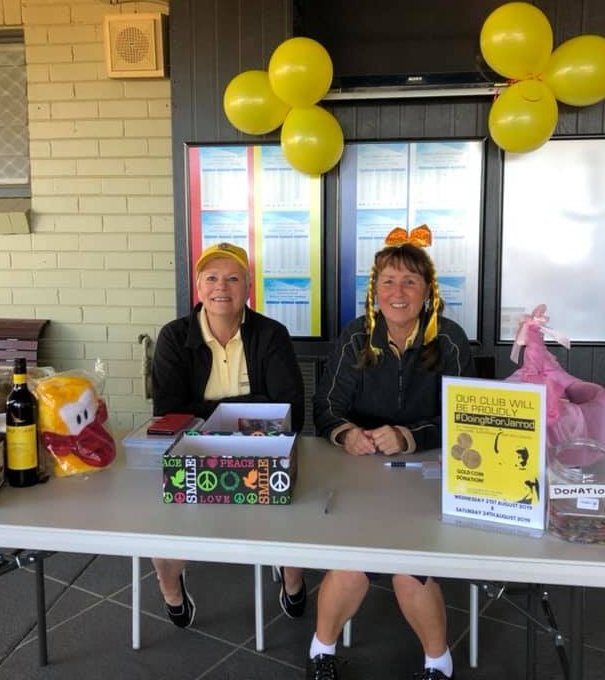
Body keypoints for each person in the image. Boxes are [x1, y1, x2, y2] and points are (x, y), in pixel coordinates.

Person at [307, 225, 475, 680]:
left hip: (428, 473)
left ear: (428, 291)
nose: (397, 293)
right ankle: (321, 653)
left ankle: (438, 663)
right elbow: (325, 408)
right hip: (360, 472)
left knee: (408, 568)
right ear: (375, 290)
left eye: (409, 282)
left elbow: (466, 418)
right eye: (388, 281)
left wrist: (409, 436)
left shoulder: (450, 339)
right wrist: (346, 433)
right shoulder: (356, 336)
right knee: (351, 564)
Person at [151, 241, 307, 628]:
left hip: (261, 451)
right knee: (161, 522)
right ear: (198, 287)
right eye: (212, 278)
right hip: (193, 449)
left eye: (233, 278)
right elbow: (168, 413)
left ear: (248, 287)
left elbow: (290, 410)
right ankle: (170, 587)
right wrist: (252, 407)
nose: (222, 286)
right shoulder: (174, 336)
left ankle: (292, 576)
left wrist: (206, 410)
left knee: (295, 508)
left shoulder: (271, 334)